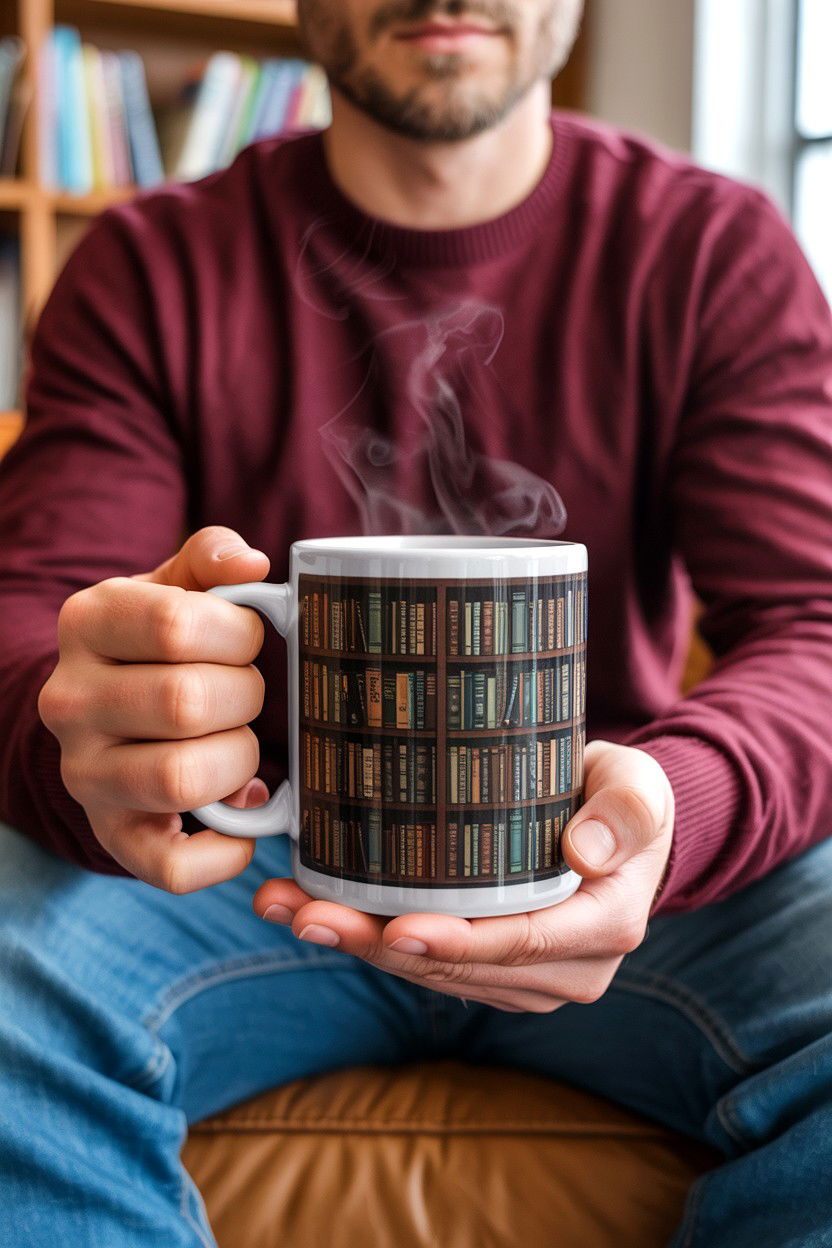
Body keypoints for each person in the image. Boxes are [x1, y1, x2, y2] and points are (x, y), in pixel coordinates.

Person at [1, 1, 831, 1243]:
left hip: (622, 857)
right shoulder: (147, 267)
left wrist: (671, 812)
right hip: (248, 870)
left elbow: (816, 621)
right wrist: (95, 747)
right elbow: (32, 628)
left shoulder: (710, 251)